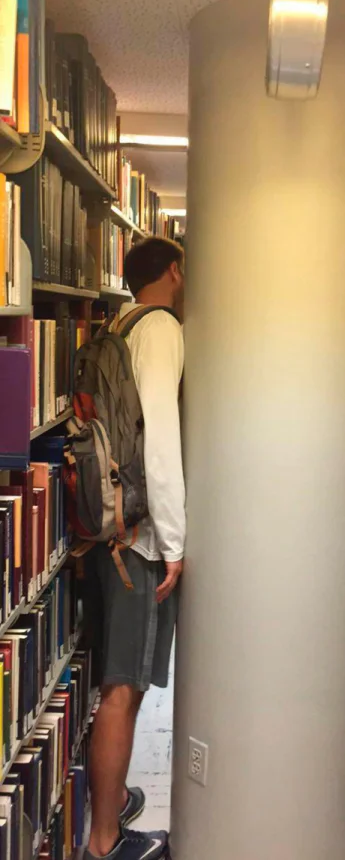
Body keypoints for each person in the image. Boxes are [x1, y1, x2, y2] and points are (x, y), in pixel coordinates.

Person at [84, 237, 186, 860]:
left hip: (106, 526)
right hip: (141, 541)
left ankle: (114, 798)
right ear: (174, 271)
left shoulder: (115, 324)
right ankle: (104, 842)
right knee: (123, 689)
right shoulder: (162, 328)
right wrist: (174, 542)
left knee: (114, 679)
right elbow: (162, 443)